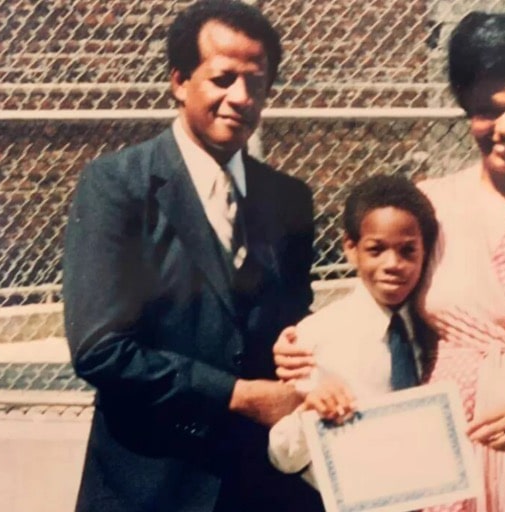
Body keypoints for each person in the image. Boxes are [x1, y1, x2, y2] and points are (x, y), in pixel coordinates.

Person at [276, 11, 505, 512]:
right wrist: (303, 344)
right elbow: (380, 297)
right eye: (487, 109)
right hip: (446, 439)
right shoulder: (431, 204)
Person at [62, 1, 324, 510]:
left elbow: (293, 319)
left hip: (263, 481)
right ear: (180, 82)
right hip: (154, 481)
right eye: (223, 78)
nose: (241, 98)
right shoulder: (118, 187)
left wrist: (299, 345)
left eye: (257, 82)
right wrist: (239, 395)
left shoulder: (289, 198)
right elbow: (100, 349)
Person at [267, 175, 438, 488]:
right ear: (350, 248)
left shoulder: (436, 328)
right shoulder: (315, 337)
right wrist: (310, 411)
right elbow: (282, 455)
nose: (393, 264)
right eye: (376, 250)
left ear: (425, 251)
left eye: (408, 251)